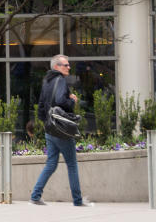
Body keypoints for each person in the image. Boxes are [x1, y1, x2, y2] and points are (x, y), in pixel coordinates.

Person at [30, 54, 93, 207]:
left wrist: (46, 122)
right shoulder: (60, 81)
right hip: (61, 130)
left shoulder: (47, 81)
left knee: (51, 163)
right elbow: (60, 101)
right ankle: (78, 200)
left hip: (50, 128)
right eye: (66, 65)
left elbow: (41, 105)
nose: (69, 67)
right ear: (57, 67)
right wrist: (72, 100)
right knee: (71, 164)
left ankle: (35, 196)